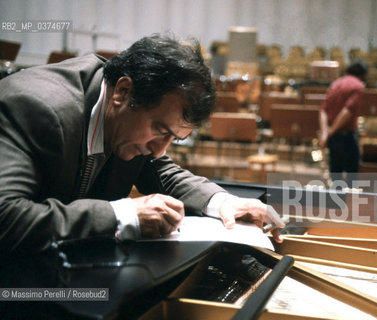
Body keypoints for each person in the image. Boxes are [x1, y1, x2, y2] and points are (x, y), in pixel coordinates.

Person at [0, 34, 285, 260]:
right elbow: (6, 217)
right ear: (123, 92)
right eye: (161, 131)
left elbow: (160, 169)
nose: (161, 149)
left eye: (173, 138)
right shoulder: (35, 107)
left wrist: (224, 202)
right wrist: (121, 216)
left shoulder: (130, 121)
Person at [318, 59, 368, 187]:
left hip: (333, 138)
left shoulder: (335, 84)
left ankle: (336, 205)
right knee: (352, 178)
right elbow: (347, 111)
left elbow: (323, 109)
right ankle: (350, 205)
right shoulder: (358, 86)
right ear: (363, 75)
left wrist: (325, 133)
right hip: (347, 137)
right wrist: (331, 131)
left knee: (336, 177)